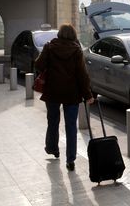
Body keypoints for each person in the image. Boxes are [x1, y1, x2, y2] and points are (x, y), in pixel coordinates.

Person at [35, 24, 94, 172]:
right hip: (71, 93)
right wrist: (88, 95)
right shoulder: (76, 50)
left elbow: (38, 65)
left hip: (53, 91)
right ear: (73, 35)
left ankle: (52, 148)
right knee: (71, 127)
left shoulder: (49, 47)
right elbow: (82, 75)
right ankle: (70, 160)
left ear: (60, 34)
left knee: (53, 121)